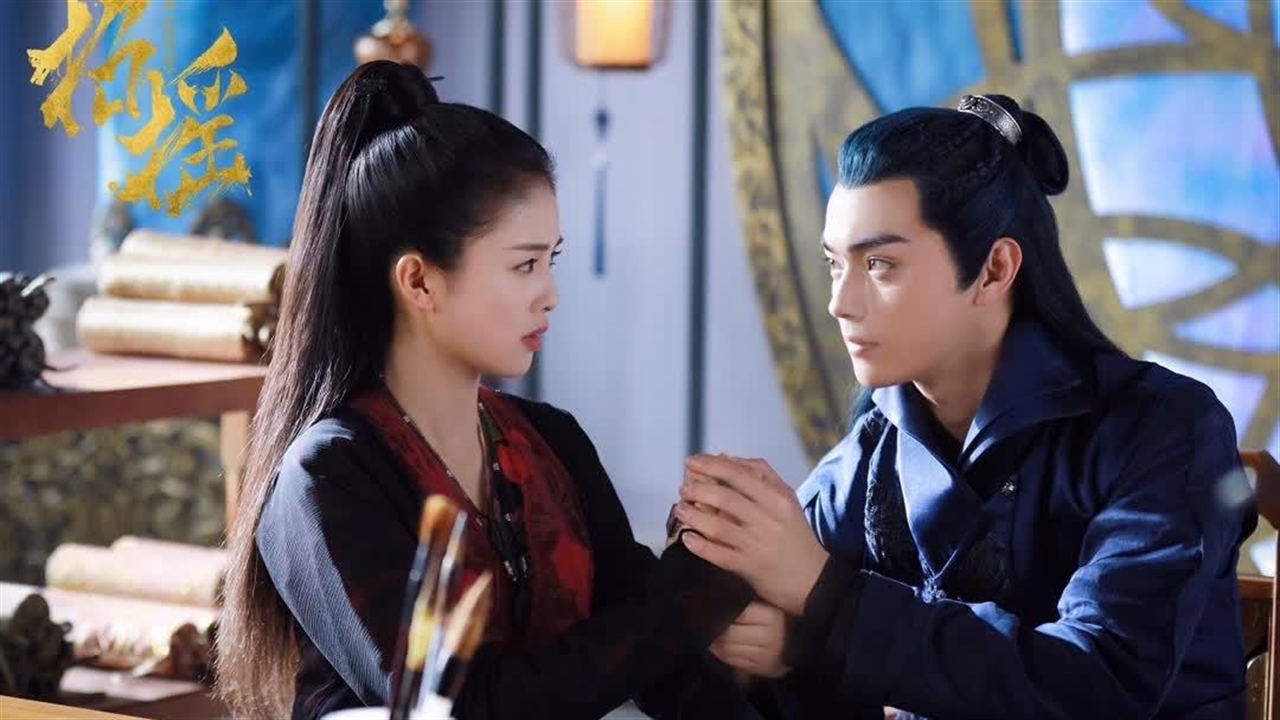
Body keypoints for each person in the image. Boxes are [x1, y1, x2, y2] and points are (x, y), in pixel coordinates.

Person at [670, 94, 1257, 719]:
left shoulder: (1165, 429)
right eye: (835, 265)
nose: (841, 302)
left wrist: (823, 600)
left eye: (879, 264)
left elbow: (1092, 687)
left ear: (994, 269)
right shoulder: (873, 453)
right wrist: (748, 626)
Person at [215, 60, 753, 720]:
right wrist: (684, 600)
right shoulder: (327, 477)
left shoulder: (553, 443)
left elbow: (665, 667)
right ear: (419, 282)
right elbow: (456, 708)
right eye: (524, 265)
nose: (550, 295)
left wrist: (720, 565)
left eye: (550, 260)